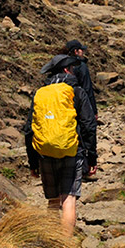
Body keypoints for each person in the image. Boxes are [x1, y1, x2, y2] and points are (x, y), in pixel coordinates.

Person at [25, 54, 97, 235]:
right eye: (72, 68)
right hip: (72, 152)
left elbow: (29, 130)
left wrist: (33, 162)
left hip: (45, 153)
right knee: (69, 198)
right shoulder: (77, 92)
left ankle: (51, 242)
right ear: (67, 70)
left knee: (53, 200)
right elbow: (89, 126)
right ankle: (65, 243)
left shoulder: (40, 94)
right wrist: (92, 156)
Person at [62, 39, 97, 120]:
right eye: (81, 50)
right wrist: (93, 111)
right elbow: (87, 88)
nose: (83, 52)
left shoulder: (62, 64)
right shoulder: (81, 66)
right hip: (80, 103)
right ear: (76, 51)